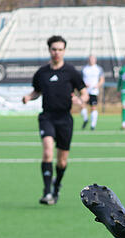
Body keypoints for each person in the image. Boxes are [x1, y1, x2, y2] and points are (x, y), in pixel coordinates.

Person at [22, 35, 88, 206]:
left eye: (60, 49)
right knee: (47, 152)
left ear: (64, 51)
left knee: (62, 161)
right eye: (54, 49)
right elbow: (36, 91)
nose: (56, 52)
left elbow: (84, 92)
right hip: (47, 117)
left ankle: (56, 186)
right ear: (49, 50)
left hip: (65, 119)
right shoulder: (42, 73)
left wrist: (81, 101)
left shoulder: (71, 72)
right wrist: (28, 97)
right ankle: (46, 192)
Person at [80, 55, 105, 131]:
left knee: (93, 107)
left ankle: (93, 125)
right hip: (85, 91)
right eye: (90, 59)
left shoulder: (98, 69)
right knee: (82, 105)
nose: (91, 60)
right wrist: (84, 85)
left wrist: (97, 85)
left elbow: (102, 80)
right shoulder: (84, 69)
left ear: (95, 60)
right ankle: (85, 119)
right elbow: (79, 80)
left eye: (93, 59)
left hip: (94, 91)